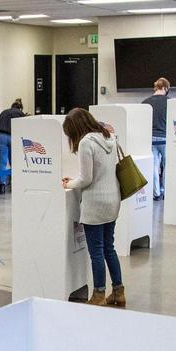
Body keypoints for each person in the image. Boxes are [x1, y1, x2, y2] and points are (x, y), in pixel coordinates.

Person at [61, 108, 124, 308]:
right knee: (109, 248)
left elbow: (86, 179)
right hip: (113, 200)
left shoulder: (86, 142)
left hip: (95, 204)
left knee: (96, 252)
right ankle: (118, 291)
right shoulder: (109, 137)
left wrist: (69, 183)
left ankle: (99, 294)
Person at [143, 77, 170, 200]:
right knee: (167, 166)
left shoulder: (145, 103)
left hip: (151, 139)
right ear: (165, 88)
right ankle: (166, 192)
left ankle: (156, 193)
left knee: (153, 167)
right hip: (165, 139)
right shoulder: (170, 102)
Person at [0, 99, 27, 194]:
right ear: (20, 108)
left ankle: (2, 186)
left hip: (0, 137)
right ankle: (15, 185)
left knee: (2, 162)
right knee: (15, 162)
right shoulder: (20, 113)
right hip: (13, 137)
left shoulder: (3, 112)